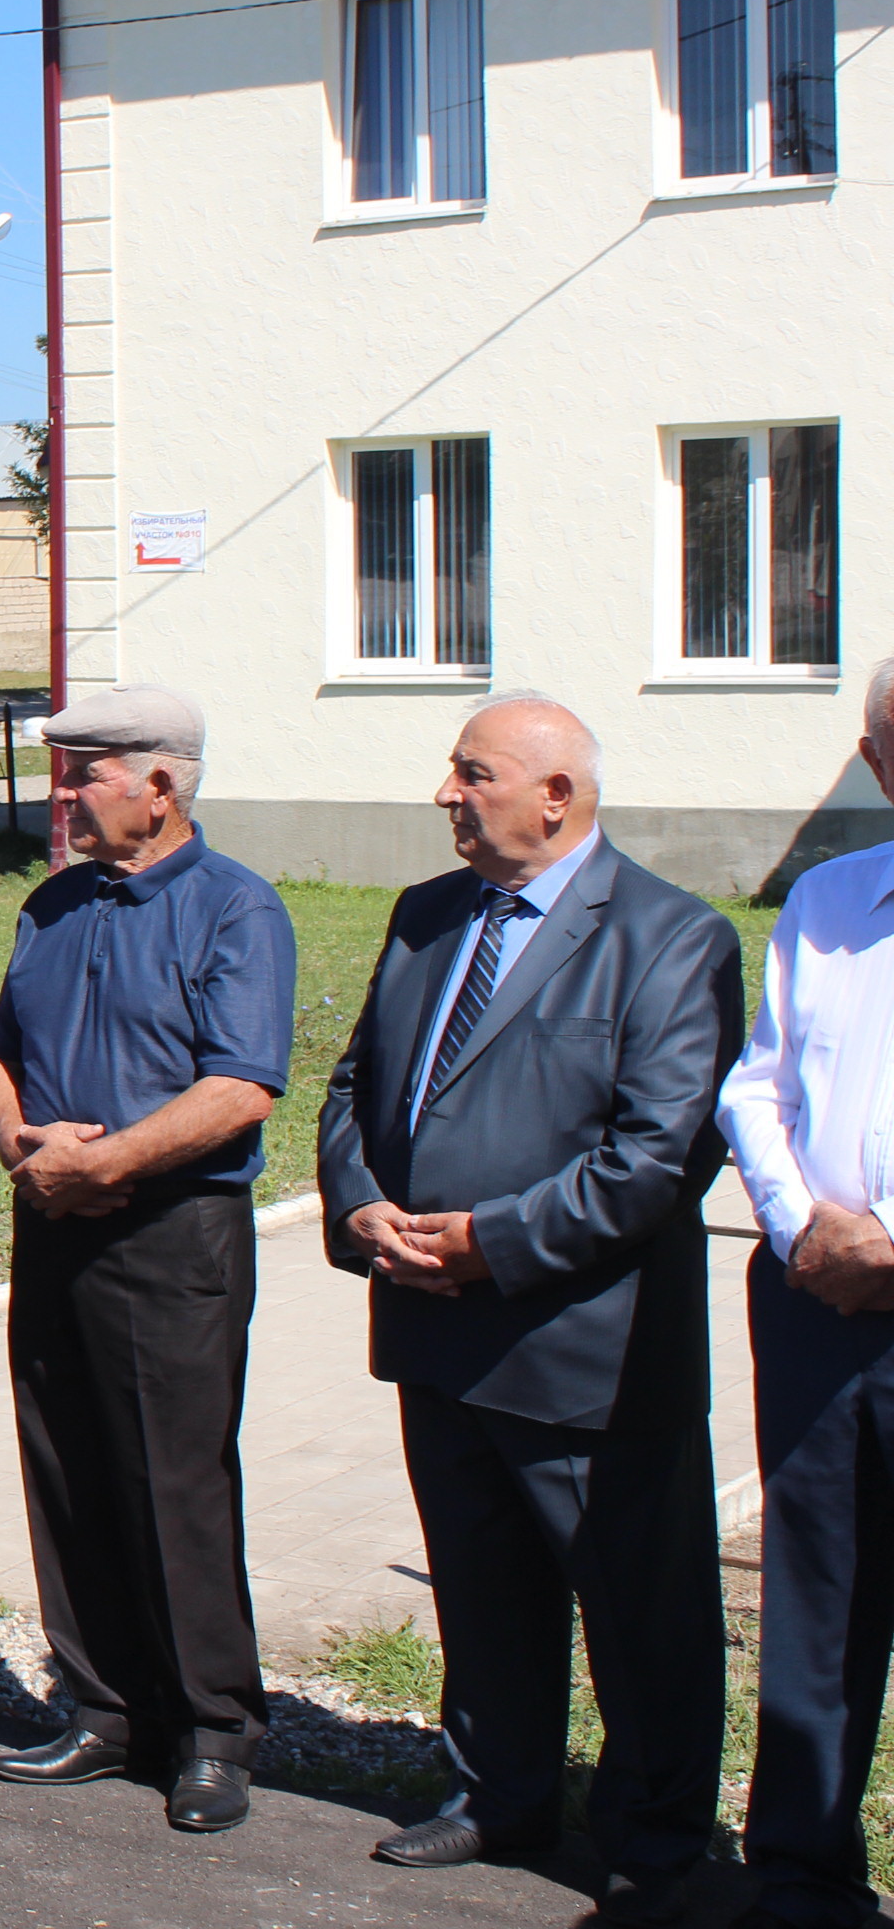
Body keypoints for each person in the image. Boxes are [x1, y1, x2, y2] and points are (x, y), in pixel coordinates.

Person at [317, 694, 738, 1914]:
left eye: (471, 772)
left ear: (557, 793)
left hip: (584, 1350)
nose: (446, 794)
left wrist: (490, 1244)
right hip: (438, 1335)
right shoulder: (426, 916)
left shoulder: (669, 937)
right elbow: (355, 1085)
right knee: (482, 1586)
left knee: (641, 1611)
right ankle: (499, 1794)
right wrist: (358, 1207)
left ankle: (657, 1842)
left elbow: (658, 1158)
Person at [0, 684, 294, 1835]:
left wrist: (107, 1168)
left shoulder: (235, 911)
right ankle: (101, 1707)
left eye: (84, 775)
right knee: (65, 1464)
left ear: (160, 786)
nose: (63, 795)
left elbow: (242, 1085)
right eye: (63, 774)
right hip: (51, 1220)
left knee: (175, 1479)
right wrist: (22, 1144)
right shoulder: (51, 906)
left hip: (171, 1235)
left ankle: (211, 1728)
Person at [718, 655, 894, 1929]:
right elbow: (756, 1088)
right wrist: (802, 1233)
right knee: (819, 1593)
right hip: (819, 1304)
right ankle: (798, 1874)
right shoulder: (830, 900)